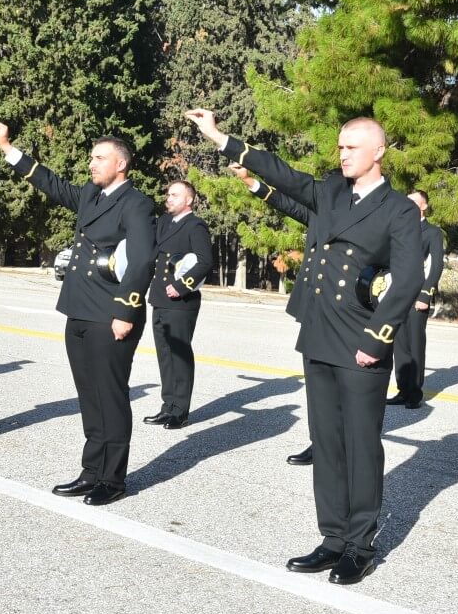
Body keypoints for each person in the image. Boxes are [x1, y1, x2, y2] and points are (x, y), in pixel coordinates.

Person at [187, 109, 422, 585]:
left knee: (360, 444)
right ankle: (332, 538)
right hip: (319, 333)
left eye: (351, 147)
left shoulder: (398, 209)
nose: (342, 153)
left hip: (360, 339)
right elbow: (282, 174)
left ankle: (360, 545)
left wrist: (378, 340)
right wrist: (219, 136)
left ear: (378, 152)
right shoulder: (331, 190)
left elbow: (407, 281)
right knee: (328, 443)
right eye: (340, 146)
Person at [0, 121, 155, 506]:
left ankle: (112, 480)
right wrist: (7, 146)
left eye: (100, 158)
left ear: (122, 164)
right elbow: (49, 182)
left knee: (110, 396)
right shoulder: (90, 196)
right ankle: (91, 471)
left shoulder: (136, 203)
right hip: (80, 309)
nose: (91, 163)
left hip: (111, 313)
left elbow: (144, 259)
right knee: (89, 396)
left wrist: (126, 310)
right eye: (92, 157)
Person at [232, 161, 320, 464]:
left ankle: (344, 445)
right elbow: (286, 203)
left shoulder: (366, 212)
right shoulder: (322, 211)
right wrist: (249, 181)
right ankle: (319, 442)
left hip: (346, 310)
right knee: (316, 383)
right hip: (314, 307)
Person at [144, 180, 214, 430]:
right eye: (168, 193)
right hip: (160, 298)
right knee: (164, 354)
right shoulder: (163, 222)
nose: (168, 198)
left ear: (189, 200)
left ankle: (180, 411)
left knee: (179, 355)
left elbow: (205, 262)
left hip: (181, 300)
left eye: (175, 194)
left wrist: (183, 284)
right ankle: (167, 406)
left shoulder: (196, 226)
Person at [388, 191, 446, 410]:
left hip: (416, 297)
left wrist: (425, 294)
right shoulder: (398, 228)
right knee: (399, 344)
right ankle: (403, 389)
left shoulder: (432, 232)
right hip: (397, 295)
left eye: (413, 202)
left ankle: (415, 393)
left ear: (424, 207)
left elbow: (436, 265)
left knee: (414, 344)